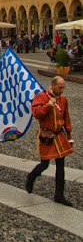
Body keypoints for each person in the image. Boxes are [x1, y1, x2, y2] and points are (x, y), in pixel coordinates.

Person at [26, 76, 74, 206]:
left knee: (60, 165)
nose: (62, 90)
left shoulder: (63, 99)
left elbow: (66, 118)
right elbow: (36, 113)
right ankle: (31, 177)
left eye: (63, 87)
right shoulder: (41, 97)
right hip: (46, 135)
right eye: (60, 87)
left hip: (59, 136)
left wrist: (69, 136)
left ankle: (59, 195)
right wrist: (48, 105)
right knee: (45, 164)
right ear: (52, 86)